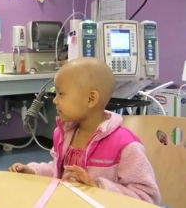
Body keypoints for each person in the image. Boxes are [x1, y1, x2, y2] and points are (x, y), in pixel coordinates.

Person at [9, 57, 161, 205]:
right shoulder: (64, 134)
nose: (54, 100)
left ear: (90, 99)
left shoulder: (126, 146)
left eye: (61, 94)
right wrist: (33, 171)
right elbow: (58, 171)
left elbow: (147, 198)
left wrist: (97, 186)